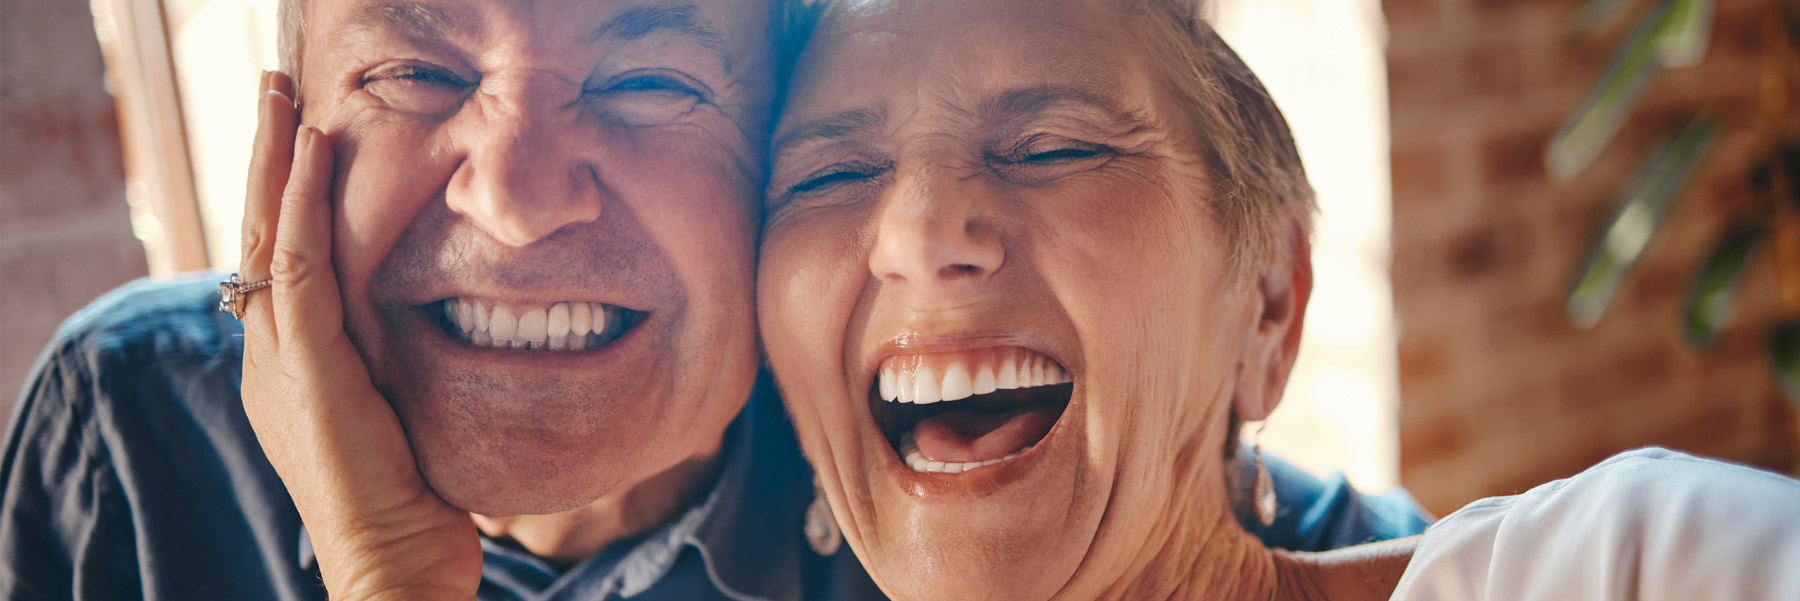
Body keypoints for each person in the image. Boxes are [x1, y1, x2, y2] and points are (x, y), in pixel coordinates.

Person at [0, 0, 1429, 600]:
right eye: (417, 71)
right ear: (286, 131)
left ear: (766, 176)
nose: (515, 188)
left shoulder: (968, 501)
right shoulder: (128, 425)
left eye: (647, 83)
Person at [757, 0, 1800, 600]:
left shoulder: (1632, 566)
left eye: (1056, 145)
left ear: (1267, 308)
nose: (920, 236)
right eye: (825, 176)